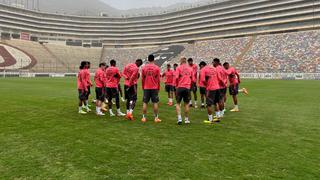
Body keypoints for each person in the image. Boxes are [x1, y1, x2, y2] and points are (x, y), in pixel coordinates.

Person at [141, 54, 161, 123]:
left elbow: (142, 79)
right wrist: (158, 88)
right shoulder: (157, 68)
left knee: (145, 102)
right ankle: (156, 118)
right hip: (154, 87)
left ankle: (144, 118)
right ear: (153, 59)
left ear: (148, 59)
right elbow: (158, 79)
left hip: (146, 87)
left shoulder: (144, 68)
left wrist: (143, 87)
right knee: (155, 102)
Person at [175, 57, 194, 125]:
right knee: (186, 104)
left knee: (177, 103)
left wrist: (177, 85)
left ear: (181, 61)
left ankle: (179, 118)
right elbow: (193, 79)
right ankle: (186, 119)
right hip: (187, 88)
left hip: (180, 87)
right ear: (185, 61)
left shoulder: (178, 68)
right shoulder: (190, 68)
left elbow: (176, 77)